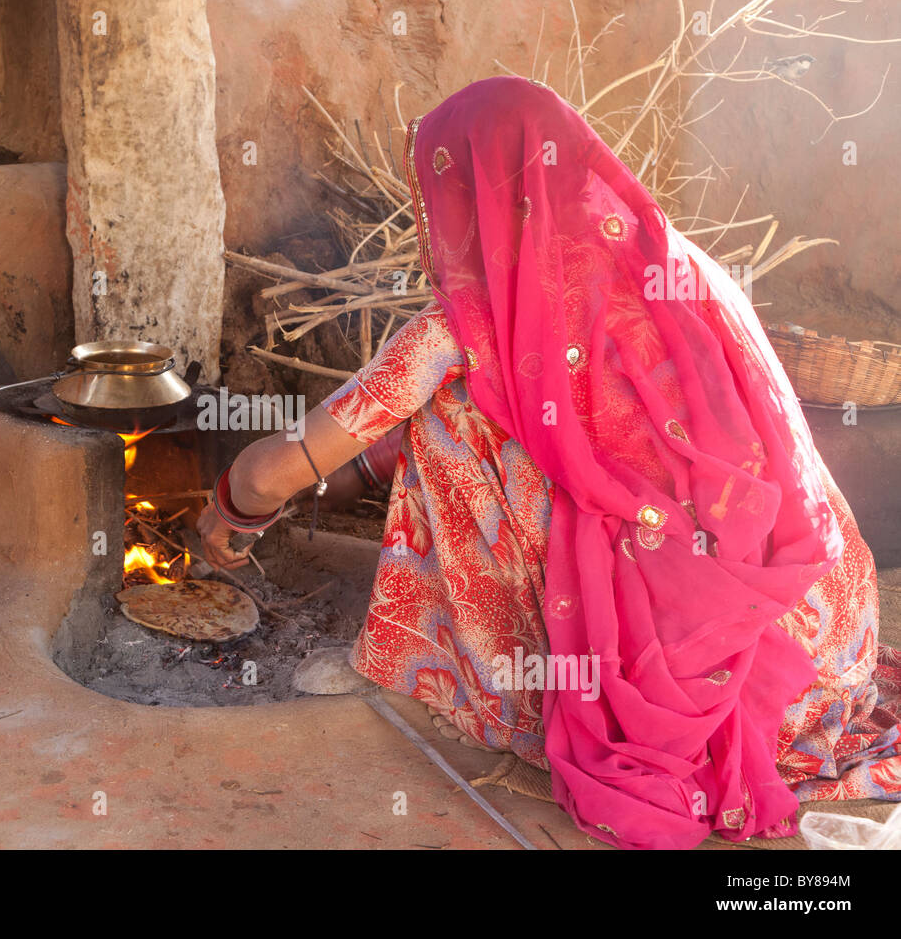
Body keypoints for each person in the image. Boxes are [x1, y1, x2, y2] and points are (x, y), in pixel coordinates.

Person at [198, 76, 901, 849]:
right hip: (825, 654)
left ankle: (502, 691)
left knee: (450, 413)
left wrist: (231, 506)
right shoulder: (677, 270)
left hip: (704, 695)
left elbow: (273, 473)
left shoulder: (466, 324)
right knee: (491, 411)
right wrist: (357, 473)